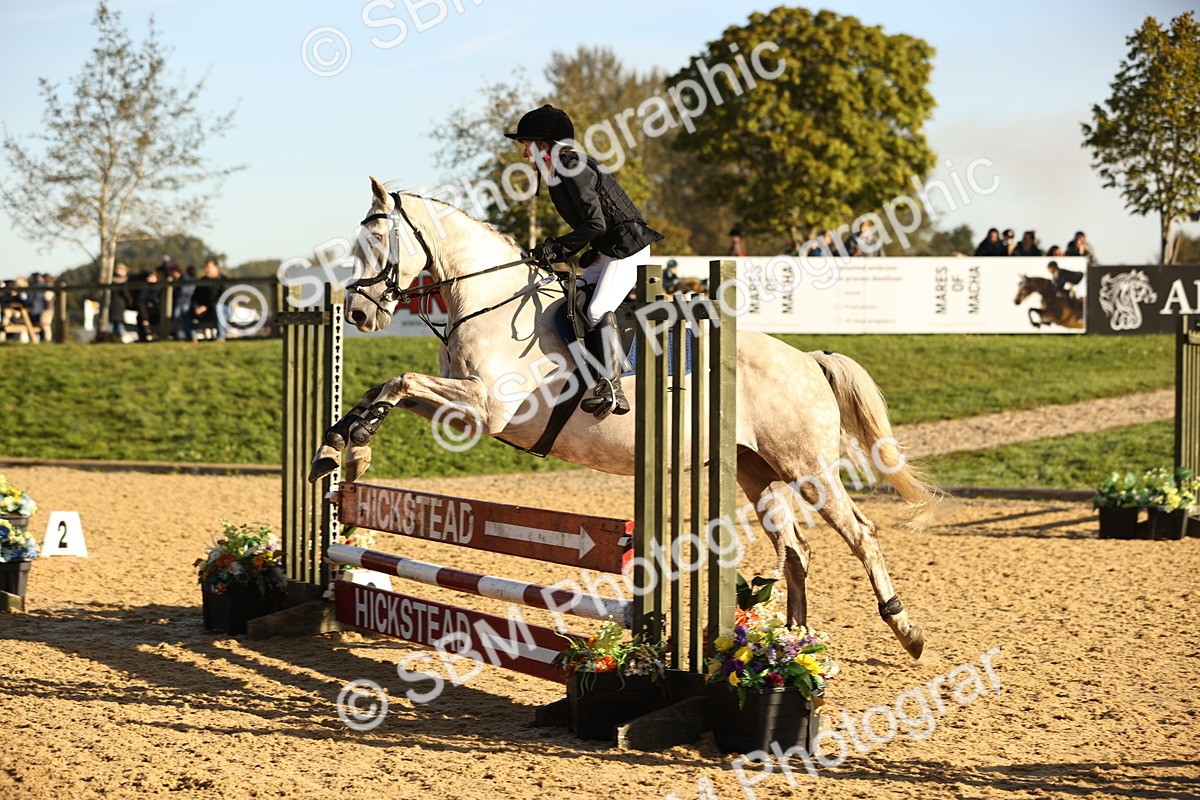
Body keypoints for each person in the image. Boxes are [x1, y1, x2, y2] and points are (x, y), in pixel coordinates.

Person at [507, 104, 663, 419]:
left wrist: (557, 248)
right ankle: (588, 371)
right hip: (607, 250)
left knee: (594, 310)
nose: (525, 155)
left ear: (545, 146)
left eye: (528, 146)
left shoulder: (572, 167)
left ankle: (612, 387)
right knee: (569, 301)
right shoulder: (560, 171)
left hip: (626, 248)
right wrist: (553, 249)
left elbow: (596, 225)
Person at [190, 258, 226, 340]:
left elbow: (223, 299)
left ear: (216, 267)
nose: (205, 269)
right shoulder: (202, 281)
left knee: (218, 307)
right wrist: (197, 308)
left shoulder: (224, 280)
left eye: (208, 267)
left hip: (224, 310)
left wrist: (206, 308)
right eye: (205, 267)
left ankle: (221, 337)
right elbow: (194, 298)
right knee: (184, 309)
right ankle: (191, 337)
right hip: (206, 311)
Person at [108, 263, 134, 341]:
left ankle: (111, 338)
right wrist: (130, 300)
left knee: (113, 323)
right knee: (118, 323)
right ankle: (119, 338)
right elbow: (125, 293)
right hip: (119, 305)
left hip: (113, 304)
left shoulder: (111, 280)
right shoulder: (121, 281)